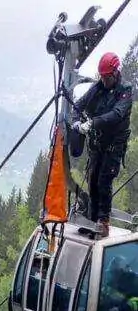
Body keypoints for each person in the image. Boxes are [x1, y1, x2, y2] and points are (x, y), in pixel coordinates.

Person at [72, 52, 132, 237]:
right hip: (98, 145)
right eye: (102, 77)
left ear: (115, 74)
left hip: (113, 147)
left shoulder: (125, 91)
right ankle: (92, 220)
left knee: (104, 182)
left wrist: (93, 123)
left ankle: (103, 222)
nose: (104, 81)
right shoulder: (98, 88)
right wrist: (76, 121)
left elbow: (116, 114)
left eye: (107, 77)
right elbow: (79, 104)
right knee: (93, 181)